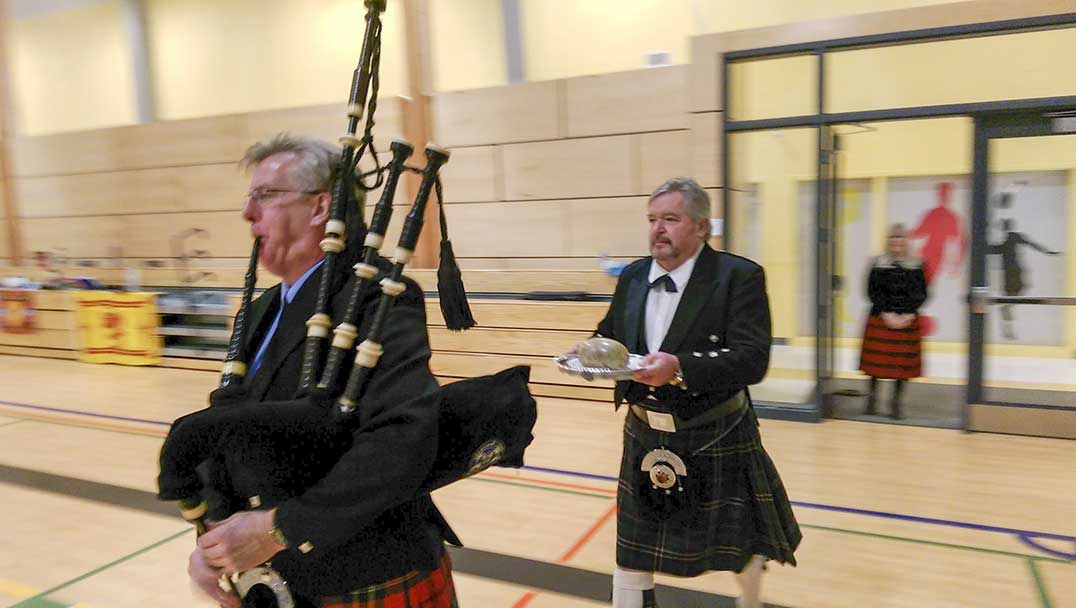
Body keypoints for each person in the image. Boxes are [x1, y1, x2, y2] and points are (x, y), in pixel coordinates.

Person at [188, 133, 458, 608]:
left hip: (363, 569)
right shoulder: (258, 310)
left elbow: (402, 439)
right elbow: (224, 429)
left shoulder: (380, 297)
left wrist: (276, 530)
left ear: (320, 208)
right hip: (277, 577)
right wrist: (211, 540)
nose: (247, 213)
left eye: (264, 195)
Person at [574, 177, 800, 608]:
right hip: (645, 429)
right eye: (652, 220)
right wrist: (589, 351)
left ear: (700, 227)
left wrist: (679, 369)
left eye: (670, 219)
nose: (658, 229)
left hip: (714, 429)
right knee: (633, 548)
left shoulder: (739, 277)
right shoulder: (634, 275)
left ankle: (750, 600)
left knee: (739, 541)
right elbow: (610, 333)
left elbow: (753, 360)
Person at [859, 224, 928, 420]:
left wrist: (908, 314)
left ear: (906, 242)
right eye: (893, 238)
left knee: (902, 368)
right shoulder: (877, 263)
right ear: (888, 241)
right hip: (880, 318)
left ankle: (895, 404)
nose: (897, 242)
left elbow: (921, 292)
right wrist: (886, 313)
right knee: (874, 366)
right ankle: (871, 401)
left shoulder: (917, 264)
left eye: (900, 238)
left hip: (907, 321)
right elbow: (871, 291)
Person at [988, 218, 1061, 340]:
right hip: (1011, 273)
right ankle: (1008, 323)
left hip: (1014, 272)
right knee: (1013, 296)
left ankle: (1007, 311)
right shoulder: (1007, 242)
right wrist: (1047, 251)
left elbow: (1032, 244)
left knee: (1018, 292)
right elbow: (990, 250)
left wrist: (1047, 251)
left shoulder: (1013, 238)